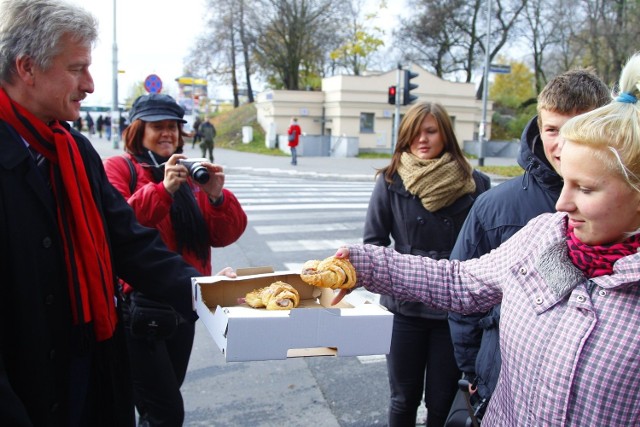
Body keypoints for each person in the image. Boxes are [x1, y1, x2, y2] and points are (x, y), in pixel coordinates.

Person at [329, 52, 640, 426]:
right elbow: (460, 280)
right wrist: (362, 264)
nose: (562, 202)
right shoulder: (546, 235)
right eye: (565, 181)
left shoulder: (477, 185)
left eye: (585, 188)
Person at [0, 1, 204, 425]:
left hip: (88, 362)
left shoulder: (74, 150)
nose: (90, 85)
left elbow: (129, 241)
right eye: (77, 69)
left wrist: (211, 291)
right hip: (23, 387)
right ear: (26, 68)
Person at [446, 68, 611, 421]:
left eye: (577, 128)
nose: (562, 144)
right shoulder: (495, 207)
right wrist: (475, 370)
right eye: (552, 130)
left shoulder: (628, 208)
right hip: (504, 388)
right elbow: (461, 293)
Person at [103, 93, 247, 426]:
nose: (167, 133)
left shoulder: (190, 173)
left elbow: (223, 235)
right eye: (158, 126)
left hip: (185, 306)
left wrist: (216, 196)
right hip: (140, 308)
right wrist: (162, 189)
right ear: (138, 130)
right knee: (165, 411)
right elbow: (120, 227)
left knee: (161, 401)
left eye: (173, 127)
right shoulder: (119, 168)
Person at [363, 102, 490, 427]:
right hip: (404, 311)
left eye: (431, 131)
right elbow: (374, 245)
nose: (422, 139)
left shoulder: (475, 184)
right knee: (403, 398)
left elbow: (485, 252)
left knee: (441, 401)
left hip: (453, 312)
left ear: (445, 134)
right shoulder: (391, 181)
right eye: (415, 132)